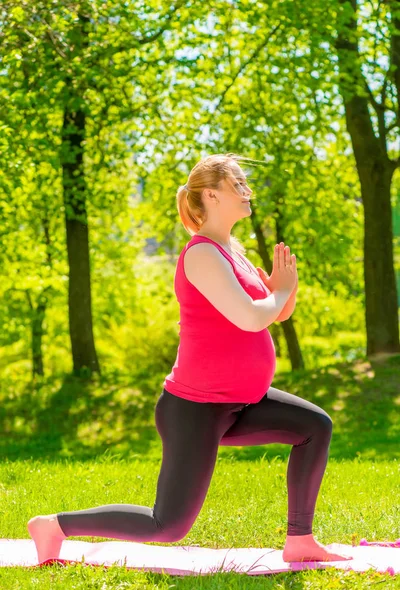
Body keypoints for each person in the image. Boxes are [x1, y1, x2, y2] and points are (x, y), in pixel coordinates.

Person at [28, 153, 352, 564]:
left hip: (241, 401)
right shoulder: (202, 255)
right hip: (195, 408)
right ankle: (54, 525)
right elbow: (253, 318)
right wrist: (279, 293)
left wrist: (285, 290)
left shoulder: (233, 251)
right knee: (168, 525)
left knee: (314, 426)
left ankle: (300, 540)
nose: (247, 191)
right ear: (212, 196)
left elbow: (273, 313)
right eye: (238, 184)